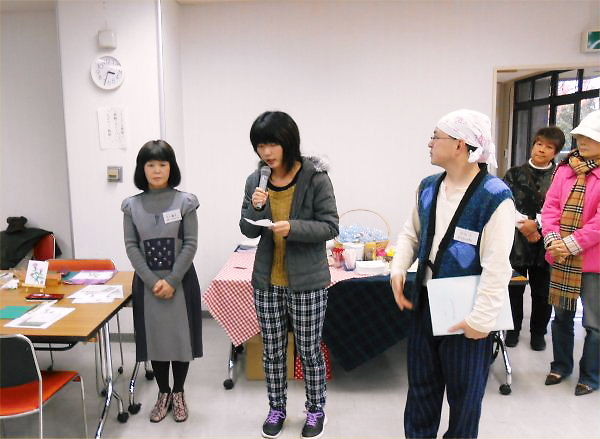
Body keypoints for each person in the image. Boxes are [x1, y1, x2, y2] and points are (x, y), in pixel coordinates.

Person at [390, 109, 515, 438]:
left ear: (461, 144)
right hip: (425, 302)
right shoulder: (429, 187)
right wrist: (398, 269)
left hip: (468, 310)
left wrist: (482, 320)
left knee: (465, 401)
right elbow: (411, 234)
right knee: (421, 391)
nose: (429, 143)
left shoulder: (494, 196)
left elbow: (497, 266)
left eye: (436, 136)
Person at [239, 111, 339, 439]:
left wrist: (293, 228)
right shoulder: (256, 180)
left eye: (272, 144)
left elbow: (330, 226)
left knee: (309, 351)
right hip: (267, 281)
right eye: (260, 146)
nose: (266, 152)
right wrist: (256, 208)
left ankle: (316, 409)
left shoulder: (315, 178)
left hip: (307, 281)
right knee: (272, 351)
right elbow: (247, 229)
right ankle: (276, 408)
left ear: (288, 141)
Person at [121, 140, 202, 422]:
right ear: (142, 169)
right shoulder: (131, 206)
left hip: (180, 282)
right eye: (151, 164)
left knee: (180, 340)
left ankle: (178, 392)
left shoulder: (186, 202)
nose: (157, 170)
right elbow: (131, 246)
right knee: (155, 340)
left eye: (162, 164)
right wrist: (152, 280)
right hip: (147, 286)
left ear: (171, 167)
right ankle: (163, 392)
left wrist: (172, 279)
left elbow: (190, 243)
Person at [542, 110, 600, 396]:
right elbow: (550, 207)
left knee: (594, 323)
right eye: (579, 136)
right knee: (561, 316)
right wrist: (554, 240)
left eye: (590, 137)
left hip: (593, 260)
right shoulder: (565, 169)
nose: (582, 141)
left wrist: (571, 244)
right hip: (562, 256)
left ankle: (590, 375)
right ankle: (561, 365)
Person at [503, 127, 565, 350]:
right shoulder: (513, 173)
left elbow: (561, 207)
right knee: (514, 290)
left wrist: (536, 225)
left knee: (543, 292)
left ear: (555, 152)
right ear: (533, 145)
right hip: (516, 241)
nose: (542, 149)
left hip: (547, 242)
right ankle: (512, 330)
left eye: (549, 147)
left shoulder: (560, 176)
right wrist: (525, 225)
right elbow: (504, 203)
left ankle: (538, 333)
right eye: (539, 144)